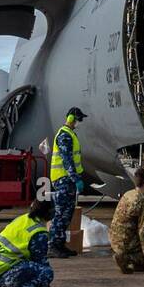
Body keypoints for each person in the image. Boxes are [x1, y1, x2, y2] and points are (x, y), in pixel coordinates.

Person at [109, 165, 144, 273]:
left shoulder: (128, 194)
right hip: (127, 242)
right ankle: (127, 259)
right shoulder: (143, 201)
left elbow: (135, 216)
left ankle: (135, 263)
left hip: (115, 239)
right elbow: (143, 231)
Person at [48, 107, 86, 258]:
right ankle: (53, 245)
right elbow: (67, 160)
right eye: (79, 119)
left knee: (67, 214)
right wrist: (75, 178)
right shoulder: (65, 136)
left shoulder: (71, 134)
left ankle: (60, 244)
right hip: (63, 179)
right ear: (71, 118)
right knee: (61, 213)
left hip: (67, 180)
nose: (79, 122)